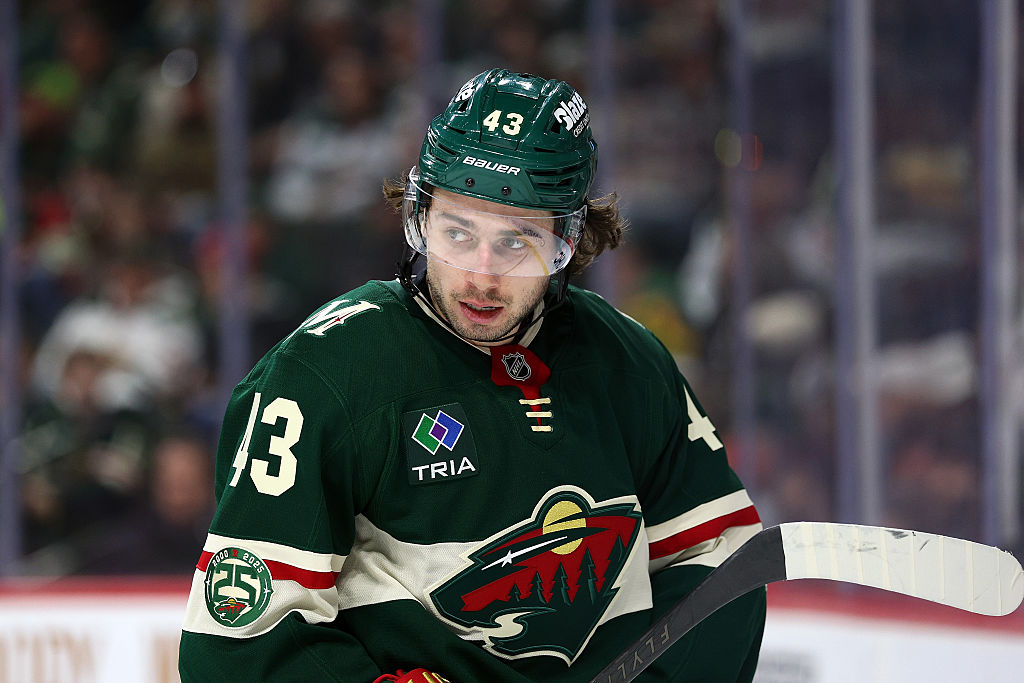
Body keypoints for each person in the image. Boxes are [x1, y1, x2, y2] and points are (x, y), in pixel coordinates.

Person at [178, 68, 765, 682]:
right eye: (458, 234)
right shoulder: (325, 374)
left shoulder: (630, 364)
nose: (481, 277)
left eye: (517, 243)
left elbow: (721, 559)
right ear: (419, 219)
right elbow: (236, 641)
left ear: (570, 239)